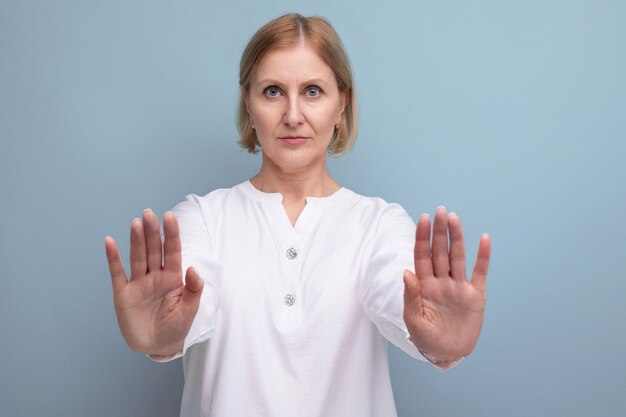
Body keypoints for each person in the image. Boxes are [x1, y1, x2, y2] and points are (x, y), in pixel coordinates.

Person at [105, 13, 491, 417]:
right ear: (248, 104)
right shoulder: (201, 218)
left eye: (312, 91)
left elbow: (397, 297)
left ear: (342, 102)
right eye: (272, 91)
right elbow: (191, 306)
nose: (292, 115)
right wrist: (163, 336)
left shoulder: (380, 225)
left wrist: (438, 340)